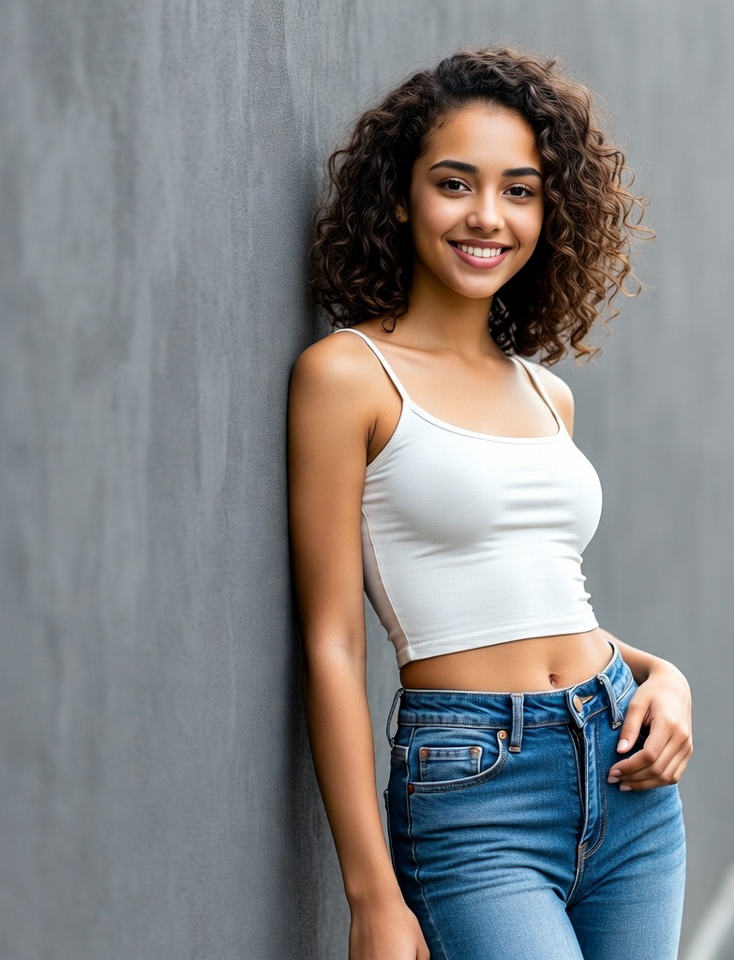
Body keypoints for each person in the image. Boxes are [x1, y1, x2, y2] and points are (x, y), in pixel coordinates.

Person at [288, 48, 693, 960]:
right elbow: (333, 643)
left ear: (551, 213)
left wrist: (664, 676)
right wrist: (372, 896)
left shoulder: (546, 394)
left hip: (627, 776)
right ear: (400, 196)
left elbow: (539, 597)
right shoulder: (350, 376)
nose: (487, 217)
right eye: (455, 183)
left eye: (520, 190)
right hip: (476, 790)